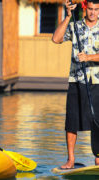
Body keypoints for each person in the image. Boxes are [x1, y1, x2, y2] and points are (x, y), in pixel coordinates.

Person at [52, 0, 99, 169]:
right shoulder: (75, 26)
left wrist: (89, 57)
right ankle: (71, 159)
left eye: (96, 9)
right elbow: (56, 39)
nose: (93, 13)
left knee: (97, 120)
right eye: (90, 9)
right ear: (85, 9)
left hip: (96, 82)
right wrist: (68, 17)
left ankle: (98, 158)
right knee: (71, 121)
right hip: (76, 80)